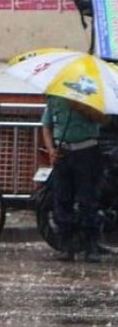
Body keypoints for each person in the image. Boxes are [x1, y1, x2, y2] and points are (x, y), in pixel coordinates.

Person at [41, 95, 107, 262]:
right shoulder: (54, 98)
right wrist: (51, 149)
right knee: (62, 199)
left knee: (88, 199)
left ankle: (90, 245)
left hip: (87, 152)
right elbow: (46, 126)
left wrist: (83, 107)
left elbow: (103, 120)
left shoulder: (91, 96)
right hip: (63, 153)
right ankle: (66, 245)